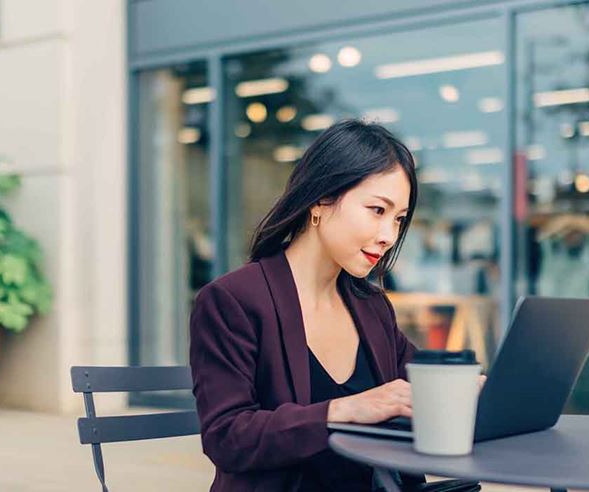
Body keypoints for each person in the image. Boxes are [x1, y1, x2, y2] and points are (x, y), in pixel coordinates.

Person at [189, 119, 483, 491]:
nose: (389, 236)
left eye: (399, 220)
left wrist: (461, 390)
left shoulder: (371, 306)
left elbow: (412, 390)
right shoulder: (234, 301)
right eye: (378, 210)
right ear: (320, 199)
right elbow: (226, 437)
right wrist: (344, 410)